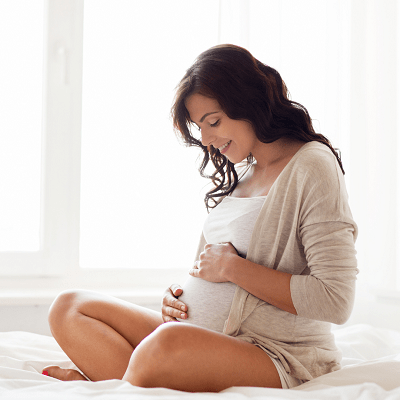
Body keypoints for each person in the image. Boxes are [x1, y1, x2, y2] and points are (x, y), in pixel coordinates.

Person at [42, 44, 358, 392]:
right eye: (200, 126)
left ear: (250, 102)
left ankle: (108, 386)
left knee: (163, 347)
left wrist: (232, 269)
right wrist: (178, 299)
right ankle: (125, 382)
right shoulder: (245, 172)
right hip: (197, 337)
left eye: (214, 122)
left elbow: (336, 299)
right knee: (69, 307)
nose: (206, 140)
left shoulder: (312, 165)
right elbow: (208, 269)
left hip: (275, 353)